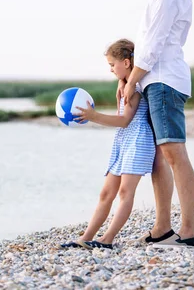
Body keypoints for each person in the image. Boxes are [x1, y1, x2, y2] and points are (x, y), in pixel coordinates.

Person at [121, 0, 194, 247]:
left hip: (165, 80)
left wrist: (130, 81)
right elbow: (147, 45)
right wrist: (133, 78)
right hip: (155, 79)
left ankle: (189, 230)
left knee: (173, 152)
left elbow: (152, 47)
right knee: (159, 157)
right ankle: (163, 227)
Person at [60, 39, 156, 250]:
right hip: (124, 141)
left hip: (139, 141)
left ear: (127, 63)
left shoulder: (136, 89)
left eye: (113, 65)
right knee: (106, 193)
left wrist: (93, 116)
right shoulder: (123, 86)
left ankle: (108, 239)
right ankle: (86, 237)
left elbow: (124, 120)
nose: (111, 69)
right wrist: (119, 86)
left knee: (125, 193)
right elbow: (121, 117)